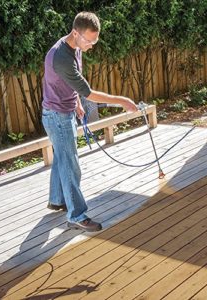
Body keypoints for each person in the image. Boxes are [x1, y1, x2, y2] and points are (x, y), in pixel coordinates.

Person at [42, 11, 137, 232]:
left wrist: (76, 102)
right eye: (89, 40)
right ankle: (76, 215)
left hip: (62, 110)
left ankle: (57, 199)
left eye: (95, 40)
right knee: (70, 164)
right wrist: (122, 101)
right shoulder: (61, 58)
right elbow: (88, 91)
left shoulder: (75, 47)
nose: (92, 45)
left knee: (62, 157)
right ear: (76, 32)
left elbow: (70, 86)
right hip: (57, 116)